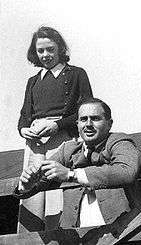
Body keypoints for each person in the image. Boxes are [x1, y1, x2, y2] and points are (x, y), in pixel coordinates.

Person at [14, 98, 141, 231]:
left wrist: (71, 175)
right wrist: (28, 184)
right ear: (77, 124)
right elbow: (42, 175)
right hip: (74, 236)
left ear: (109, 124)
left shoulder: (120, 142)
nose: (88, 124)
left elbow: (126, 171)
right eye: (83, 119)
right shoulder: (68, 150)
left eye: (95, 118)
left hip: (119, 232)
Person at [18, 26, 93, 232]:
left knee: (57, 191)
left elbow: (86, 110)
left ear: (60, 48)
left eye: (50, 49)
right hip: (34, 142)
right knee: (30, 188)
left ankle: (61, 236)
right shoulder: (32, 81)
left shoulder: (77, 74)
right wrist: (24, 130)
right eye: (40, 51)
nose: (45, 55)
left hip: (61, 138)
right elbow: (24, 115)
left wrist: (57, 125)